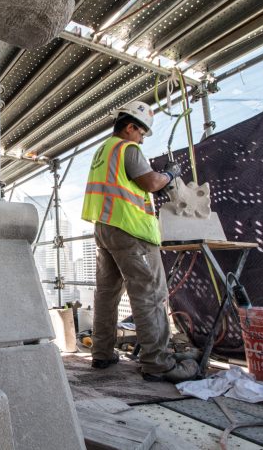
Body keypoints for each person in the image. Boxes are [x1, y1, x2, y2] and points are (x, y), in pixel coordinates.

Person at [81, 101, 198, 383]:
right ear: (130, 127)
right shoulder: (127, 148)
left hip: (106, 227)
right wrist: (170, 174)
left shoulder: (103, 150)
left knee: (106, 294)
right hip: (130, 230)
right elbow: (150, 183)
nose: (142, 139)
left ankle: (103, 354)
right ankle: (158, 364)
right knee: (150, 294)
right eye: (142, 133)